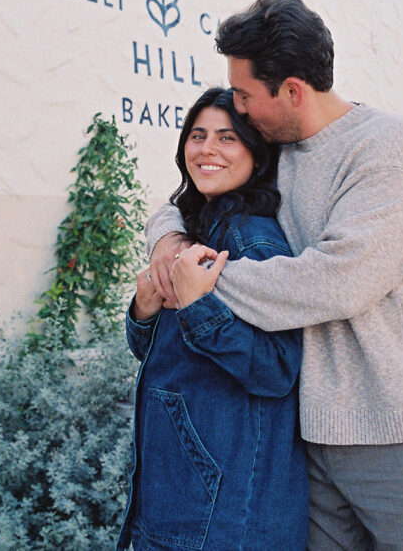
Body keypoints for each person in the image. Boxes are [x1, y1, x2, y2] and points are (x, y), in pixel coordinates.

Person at [149, 0, 403, 551]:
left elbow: (337, 280)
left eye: (246, 96)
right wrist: (173, 241)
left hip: (398, 430)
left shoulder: (390, 147)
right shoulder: (280, 148)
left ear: (292, 90)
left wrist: (199, 282)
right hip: (312, 436)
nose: (239, 110)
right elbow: (191, 191)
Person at [117, 87, 308, 551]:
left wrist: (199, 307)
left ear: (256, 155)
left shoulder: (253, 242)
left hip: (223, 511)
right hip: (177, 491)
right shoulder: (195, 228)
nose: (207, 149)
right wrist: (144, 307)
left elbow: (278, 368)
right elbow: (168, 355)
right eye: (197, 135)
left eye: (227, 138)